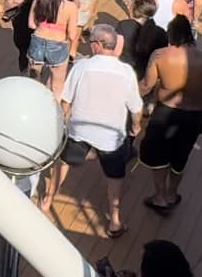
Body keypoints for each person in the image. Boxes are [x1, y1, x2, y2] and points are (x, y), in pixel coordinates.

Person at [41, 20, 142, 236]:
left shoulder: (82, 67)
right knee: (115, 178)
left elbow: (66, 101)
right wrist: (135, 126)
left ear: (97, 44)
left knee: (63, 162)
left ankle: (48, 199)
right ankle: (114, 220)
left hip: (80, 131)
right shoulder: (126, 72)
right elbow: (135, 106)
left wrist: (61, 122)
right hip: (111, 137)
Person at [140, 15, 202, 211]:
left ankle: (160, 197)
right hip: (193, 117)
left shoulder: (160, 56)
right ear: (190, 35)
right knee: (180, 159)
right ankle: (172, 195)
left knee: (159, 158)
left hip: (165, 114)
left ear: (171, 35)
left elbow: (146, 86)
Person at [26, 0, 79, 97]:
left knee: (33, 81)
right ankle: (53, 111)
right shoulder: (70, 6)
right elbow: (72, 35)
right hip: (57, 45)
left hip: (38, 42)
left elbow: (31, 25)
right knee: (57, 86)